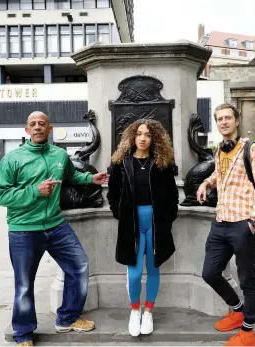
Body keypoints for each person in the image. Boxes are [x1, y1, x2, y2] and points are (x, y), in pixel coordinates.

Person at [0, 111, 109, 347]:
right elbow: (2, 195)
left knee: (79, 266)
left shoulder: (59, 154)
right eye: (33, 124)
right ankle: (24, 333)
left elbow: (71, 176)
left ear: (50, 129)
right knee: (24, 284)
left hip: (56, 225)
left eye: (42, 124)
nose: (37, 127)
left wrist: (91, 179)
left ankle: (67, 318)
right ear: (27, 130)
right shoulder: (13, 159)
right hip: (24, 230)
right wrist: (35, 191)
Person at [196, 103, 255, 347]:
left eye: (228, 118)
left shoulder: (253, 150)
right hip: (221, 222)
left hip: (244, 223)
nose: (224, 122)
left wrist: (254, 221)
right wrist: (206, 184)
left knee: (247, 277)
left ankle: (248, 331)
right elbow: (220, 175)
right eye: (219, 119)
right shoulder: (220, 151)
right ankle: (237, 311)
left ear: (237, 121)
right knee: (209, 272)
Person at [107, 119, 179, 337]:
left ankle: (148, 311)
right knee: (135, 273)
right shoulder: (121, 163)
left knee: (154, 267)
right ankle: (135, 310)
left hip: (156, 223)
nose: (143, 138)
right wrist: (122, 215)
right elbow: (113, 194)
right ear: (132, 137)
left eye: (148, 134)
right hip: (132, 222)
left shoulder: (161, 164)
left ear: (154, 138)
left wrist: (166, 219)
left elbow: (172, 196)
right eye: (139, 134)